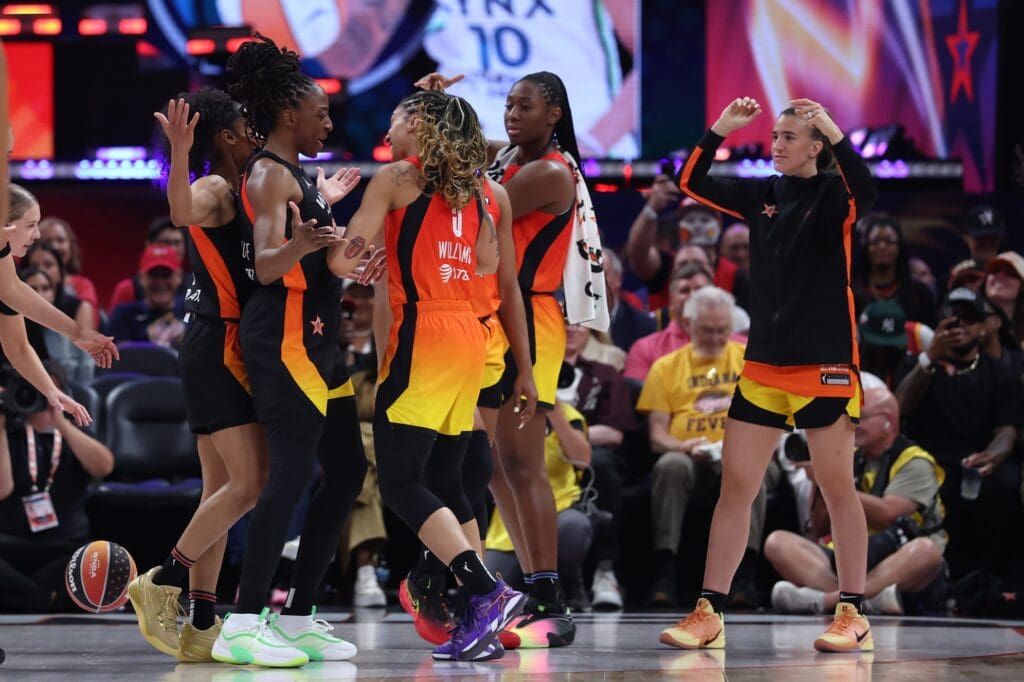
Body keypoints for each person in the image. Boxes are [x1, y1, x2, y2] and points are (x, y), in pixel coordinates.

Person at [660, 96, 878, 653]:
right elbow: (690, 182)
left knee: (837, 490)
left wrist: (833, 125)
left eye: (789, 136)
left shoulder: (835, 195)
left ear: (815, 147)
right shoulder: (762, 194)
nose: (776, 143)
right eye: (775, 135)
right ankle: (710, 610)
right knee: (736, 489)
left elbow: (867, 188)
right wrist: (718, 131)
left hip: (824, 364)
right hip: (762, 365)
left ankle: (853, 610)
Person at [329, 87, 523, 663]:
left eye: (396, 120)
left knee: (400, 481)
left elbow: (343, 261)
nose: (389, 132)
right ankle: (473, 615)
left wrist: (347, 246)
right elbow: (487, 265)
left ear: (420, 124)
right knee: (446, 478)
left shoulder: (395, 180)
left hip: (425, 334)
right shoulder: (489, 191)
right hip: (471, 335)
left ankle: (487, 592)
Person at [213, 35, 369, 667]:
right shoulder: (268, 174)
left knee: (349, 470)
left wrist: (353, 265)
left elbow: (317, 258)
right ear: (287, 115)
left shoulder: (300, 173)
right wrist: (304, 246)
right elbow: (269, 267)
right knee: (293, 474)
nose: (329, 122)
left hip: (316, 334)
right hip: (282, 335)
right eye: (321, 113)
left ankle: (300, 615)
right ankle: (244, 620)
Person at [126, 89, 272, 664]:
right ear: (224, 137)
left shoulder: (252, 188)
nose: (253, 130)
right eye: (243, 123)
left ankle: (203, 621)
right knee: (251, 481)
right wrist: (182, 152)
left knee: (221, 492)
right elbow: (180, 210)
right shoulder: (214, 187)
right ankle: (163, 578)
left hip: (225, 344)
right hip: (217, 344)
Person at [767, 386, 948, 617]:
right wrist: (820, 482)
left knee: (927, 550)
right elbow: (819, 526)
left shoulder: (915, 461)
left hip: (896, 555)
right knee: (777, 542)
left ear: (888, 422)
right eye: (852, 417)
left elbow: (888, 514)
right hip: (852, 555)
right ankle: (869, 600)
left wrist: (835, 484)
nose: (854, 424)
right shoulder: (849, 456)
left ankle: (827, 601)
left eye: (861, 417)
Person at [636, 286, 765, 609]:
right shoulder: (666, 367)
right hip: (689, 453)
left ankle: (745, 578)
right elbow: (657, 435)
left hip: (743, 449)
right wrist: (683, 446)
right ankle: (664, 573)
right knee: (669, 466)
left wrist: (739, 446)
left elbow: (768, 419)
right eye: (707, 330)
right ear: (688, 324)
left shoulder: (750, 358)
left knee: (749, 470)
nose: (716, 337)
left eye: (723, 330)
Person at [894, 287, 1023, 586]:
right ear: (938, 326)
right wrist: (929, 360)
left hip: (975, 462)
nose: (960, 326)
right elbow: (899, 407)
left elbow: (1007, 430)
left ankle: (991, 582)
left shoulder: (998, 372)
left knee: (1006, 482)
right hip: (926, 462)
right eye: (952, 320)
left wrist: (993, 455)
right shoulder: (917, 365)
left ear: (982, 328)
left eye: (968, 319)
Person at [0, 363, 114, 613]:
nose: (39, 395)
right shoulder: (8, 433)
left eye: (46, 389)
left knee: (102, 562)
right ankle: (49, 601)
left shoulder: (74, 432)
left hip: (65, 545)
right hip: (10, 545)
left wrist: (60, 422)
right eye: (31, 387)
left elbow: (104, 466)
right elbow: (2, 489)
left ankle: (24, 597)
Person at [484, 402, 594, 612]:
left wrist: (551, 409)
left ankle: (565, 585)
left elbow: (583, 460)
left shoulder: (568, 414)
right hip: (508, 521)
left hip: (561, 506)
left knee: (572, 530)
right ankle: (534, 594)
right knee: (492, 588)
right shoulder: (498, 409)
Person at [559, 318, 635, 610]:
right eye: (564, 322)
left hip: (588, 459)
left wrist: (564, 437)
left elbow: (613, 433)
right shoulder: (531, 372)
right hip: (538, 458)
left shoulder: (603, 374)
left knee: (601, 462)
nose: (572, 329)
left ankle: (605, 572)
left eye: (579, 323)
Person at [623, 262, 712, 382]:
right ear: (671, 301)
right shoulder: (644, 349)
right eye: (684, 290)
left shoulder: (740, 347)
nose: (693, 296)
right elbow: (637, 398)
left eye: (699, 289)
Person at [852, 213, 937, 327]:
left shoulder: (920, 293)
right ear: (866, 247)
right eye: (875, 241)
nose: (882, 246)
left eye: (889, 241)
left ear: (899, 247)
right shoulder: (853, 292)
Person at [20, 268, 94, 385]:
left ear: (54, 293)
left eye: (45, 288)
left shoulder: (68, 326)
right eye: (32, 289)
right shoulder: (9, 327)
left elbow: (85, 368)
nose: (39, 295)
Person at [106, 244, 186, 347]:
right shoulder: (124, 315)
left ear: (179, 277)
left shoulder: (192, 311)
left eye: (166, 275)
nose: (160, 282)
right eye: (154, 275)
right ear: (141, 278)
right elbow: (115, 357)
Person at [106, 217, 188, 312]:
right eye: (165, 242)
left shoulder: (196, 287)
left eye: (177, 243)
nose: (172, 249)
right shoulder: (128, 289)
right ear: (148, 245)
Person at [21, 242, 96, 333]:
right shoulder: (14, 305)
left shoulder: (80, 307)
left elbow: (86, 345)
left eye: (48, 265)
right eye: (34, 266)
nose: (41, 270)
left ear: (60, 273)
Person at [38, 217, 101, 322]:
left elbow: (88, 328)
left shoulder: (83, 286)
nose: (55, 247)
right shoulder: (20, 281)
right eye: (48, 241)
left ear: (70, 245)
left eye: (60, 240)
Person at [983, 251, 1024, 347]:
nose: (1000, 276)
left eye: (1010, 273)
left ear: (1022, 285)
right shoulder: (970, 320)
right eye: (995, 270)